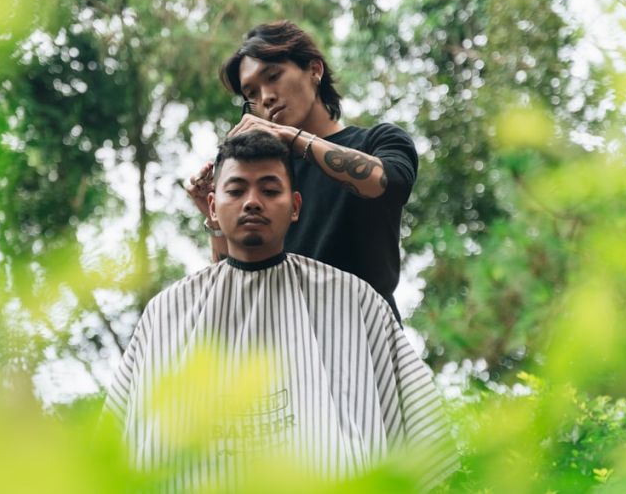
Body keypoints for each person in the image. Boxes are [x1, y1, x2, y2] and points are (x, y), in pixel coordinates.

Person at [107, 131, 455, 491]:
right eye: (236, 191)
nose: (252, 202)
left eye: (270, 190)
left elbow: (424, 433)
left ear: (295, 206)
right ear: (212, 207)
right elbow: (118, 447)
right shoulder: (168, 312)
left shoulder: (353, 299)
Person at [186, 20, 418, 323]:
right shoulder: (267, 177)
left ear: (314, 70)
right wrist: (217, 219)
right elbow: (236, 285)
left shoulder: (377, 141)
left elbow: (389, 183)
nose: (265, 97)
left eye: (273, 76)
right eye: (251, 93)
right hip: (287, 340)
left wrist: (293, 138)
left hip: (368, 335)